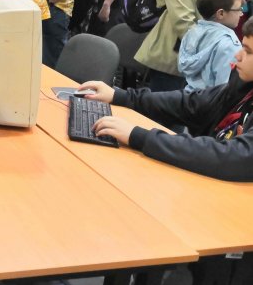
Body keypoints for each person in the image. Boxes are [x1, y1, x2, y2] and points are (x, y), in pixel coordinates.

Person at [80, 15, 253, 182]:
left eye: (247, 51)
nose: (238, 56)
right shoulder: (242, 84)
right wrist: (121, 96)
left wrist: (138, 136)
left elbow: (233, 156)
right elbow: (190, 104)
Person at [178, 0, 243, 92]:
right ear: (221, 13)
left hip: (190, 97)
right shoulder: (229, 45)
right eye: (238, 10)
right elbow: (226, 91)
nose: (241, 14)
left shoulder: (191, 33)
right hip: (213, 102)